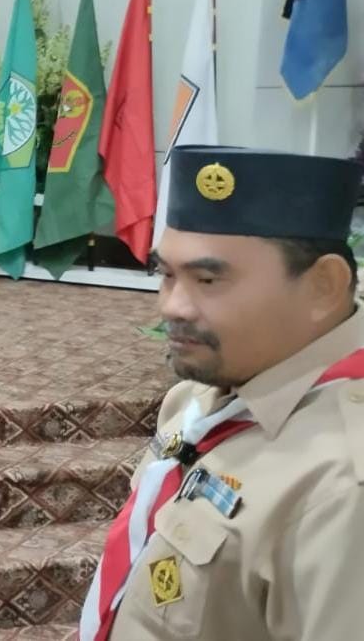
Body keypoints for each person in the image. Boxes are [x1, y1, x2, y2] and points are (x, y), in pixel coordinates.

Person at [79, 145, 364, 640]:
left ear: (323, 286)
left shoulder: (341, 487)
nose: (173, 306)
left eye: (208, 279)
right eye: (166, 275)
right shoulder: (201, 397)